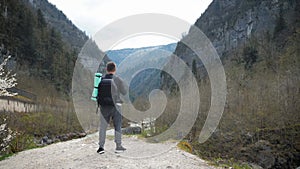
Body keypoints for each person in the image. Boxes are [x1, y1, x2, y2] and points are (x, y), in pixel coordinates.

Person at [97, 61, 127, 154]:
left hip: (103, 107)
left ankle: (101, 147)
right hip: (116, 106)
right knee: (117, 126)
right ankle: (118, 146)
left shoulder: (101, 79)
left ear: (107, 69)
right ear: (115, 69)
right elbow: (124, 92)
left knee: (103, 127)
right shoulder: (117, 79)